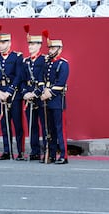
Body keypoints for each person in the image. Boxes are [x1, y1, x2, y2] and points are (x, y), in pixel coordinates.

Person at [0, 25, 25, 161]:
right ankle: (7, 150)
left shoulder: (17, 57)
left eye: (3, 42)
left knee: (17, 124)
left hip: (13, 94)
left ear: (9, 43)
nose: (1, 45)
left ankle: (20, 151)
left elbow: (19, 76)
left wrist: (9, 92)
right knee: (4, 124)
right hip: (0, 94)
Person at [40, 31, 69, 164]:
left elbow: (61, 83)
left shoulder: (63, 64)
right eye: (50, 48)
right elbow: (41, 79)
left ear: (60, 49)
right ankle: (51, 154)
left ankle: (63, 155)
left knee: (59, 128)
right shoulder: (46, 63)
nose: (50, 51)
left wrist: (49, 93)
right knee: (48, 128)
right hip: (46, 100)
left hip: (57, 100)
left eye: (53, 48)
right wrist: (42, 90)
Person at [20, 25, 47, 161]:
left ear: (39, 45)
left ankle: (47, 149)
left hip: (40, 96)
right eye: (29, 44)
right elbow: (22, 80)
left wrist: (34, 94)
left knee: (44, 124)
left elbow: (44, 80)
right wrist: (25, 93)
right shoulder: (25, 62)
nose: (30, 46)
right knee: (32, 125)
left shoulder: (44, 60)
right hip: (28, 97)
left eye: (33, 44)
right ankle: (35, 150)